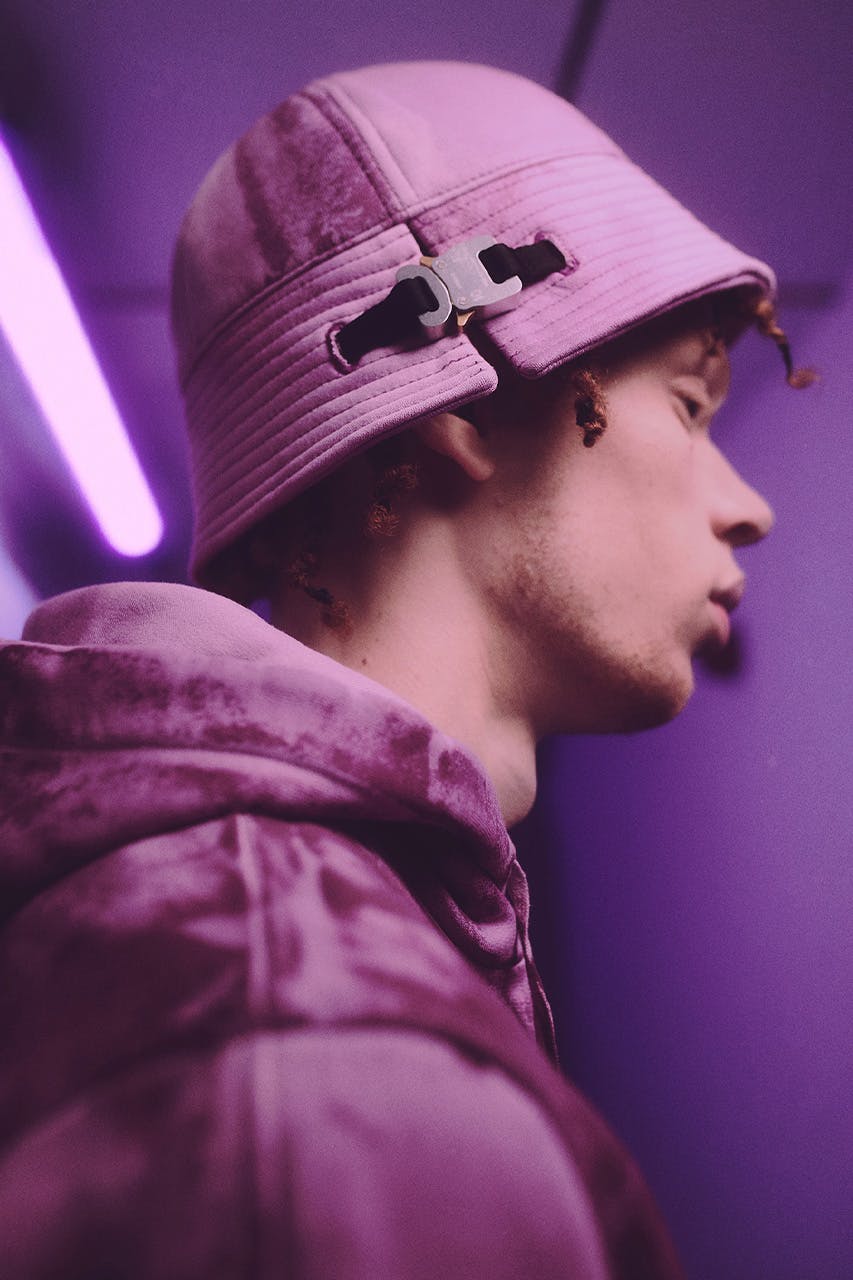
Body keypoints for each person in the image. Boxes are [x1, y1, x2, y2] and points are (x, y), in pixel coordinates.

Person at [0, 61, 811, 1279]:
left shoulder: (264, 950)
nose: (748, 506)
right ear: (463, 403)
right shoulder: (310, 1067)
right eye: (691, 409)